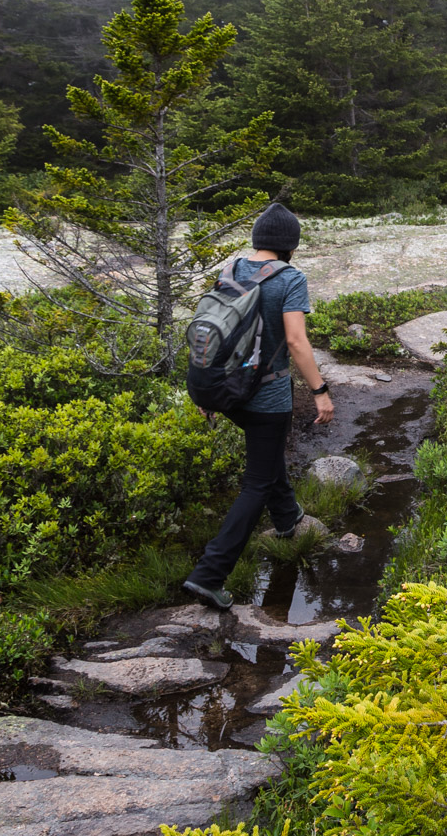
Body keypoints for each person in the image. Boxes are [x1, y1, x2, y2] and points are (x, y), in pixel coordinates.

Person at [182, 202, 336, 609]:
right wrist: (320, 390)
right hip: (266, 396)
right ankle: (209, 574)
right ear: (290, 245)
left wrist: (207, 392)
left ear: (256, 239)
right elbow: (297, 342)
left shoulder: (231, 270)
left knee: (265, 461)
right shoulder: (291, 278)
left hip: (228, 393)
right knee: (256, 482)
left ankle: (286, 518)